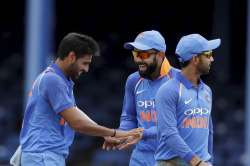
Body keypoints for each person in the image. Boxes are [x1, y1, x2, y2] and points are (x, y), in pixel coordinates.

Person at [18, 32, 142, 166]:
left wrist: (104, 134)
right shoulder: (53, 80)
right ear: (72, 56)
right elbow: (77, 123)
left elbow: (75, 111)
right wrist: (114, 133)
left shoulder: (58, 79)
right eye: (84, 63)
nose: (86, 69)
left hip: (43, 155)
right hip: (42, 157)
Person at [102, 30, 179, 166]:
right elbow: (129, 117)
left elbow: (178, 125)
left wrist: (143, 133)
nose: (138, 60)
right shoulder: (133, 80)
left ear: (160, 55)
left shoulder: (180, 81)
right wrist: (120, 135)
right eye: (135, 54)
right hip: (141, 157)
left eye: (143, 54)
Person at [155, 34, 221, 166]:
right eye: (208, 54)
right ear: (195, 59)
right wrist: (196, 162)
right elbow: (168, 133)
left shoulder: (207, 90)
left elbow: (209, 131)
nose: (212, 59)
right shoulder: (168, 90)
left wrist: (208, 161)